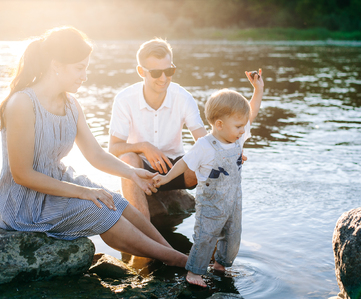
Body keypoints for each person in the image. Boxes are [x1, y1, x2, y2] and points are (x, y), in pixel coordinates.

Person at [0, 26, 188, 269]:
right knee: (101, 212)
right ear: (56, 64)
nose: (85, 76)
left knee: (118, 203)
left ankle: (170, 253)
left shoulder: (71, 104)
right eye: (80, 68)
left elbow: (95, 153)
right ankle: (177, 260)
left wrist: (131, 173)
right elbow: (22, 174)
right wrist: (82, 192)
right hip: (26, 202)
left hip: (58, 182)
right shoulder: (22, 104)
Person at [153, 69, 264, 287]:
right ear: (219, 124)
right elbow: (184, 163)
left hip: (233, 202)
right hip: (211, 204)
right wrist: (166, 179)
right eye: (239, 126)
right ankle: (194, 272)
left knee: (233, 237)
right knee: (205, 237)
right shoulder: (205, 145)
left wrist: (258, 90)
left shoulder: (237, 140)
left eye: (243, 126)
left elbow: (251, 113)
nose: (243, 130)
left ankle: (220, 264)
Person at [108, 38, 207, 221]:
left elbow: (203, 140)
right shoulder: (124, 99)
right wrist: (144, 146)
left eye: (169, 71)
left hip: (176, 170)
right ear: (141, 72)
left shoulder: (183, 97)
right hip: (141, 171)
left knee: (207, 158)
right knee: (127, 158)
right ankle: (144, 237)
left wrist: (227, 150)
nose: (163, 79)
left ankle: (211, 233)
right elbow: (113, 149)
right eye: (155, 73)